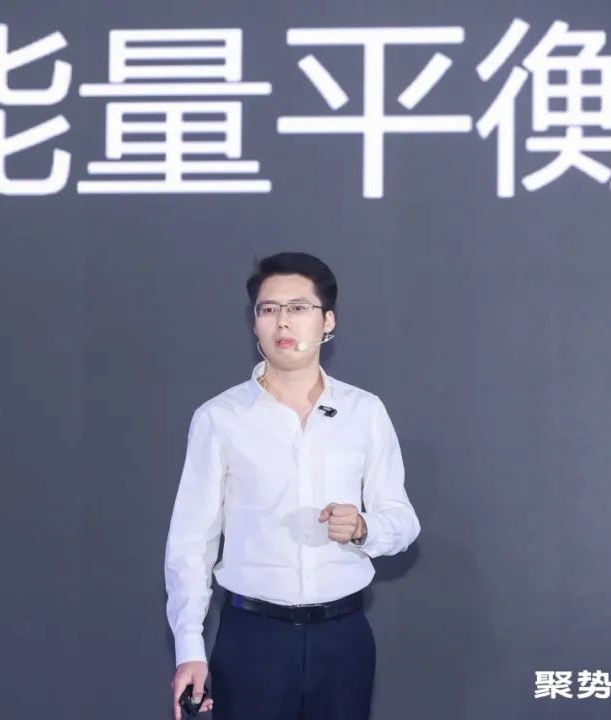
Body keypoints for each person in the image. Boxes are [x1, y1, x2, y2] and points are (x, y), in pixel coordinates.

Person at [164, 251, 420, 720]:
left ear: (328, 321)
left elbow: (403, 521)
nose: (283, 321)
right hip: (252, 640)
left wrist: (363, 528)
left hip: (343, 637)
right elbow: (190, 543)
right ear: (254, 323)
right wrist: (189, 648)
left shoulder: (364, 412)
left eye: (299, 307)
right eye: (269, 309)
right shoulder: (219, 418)